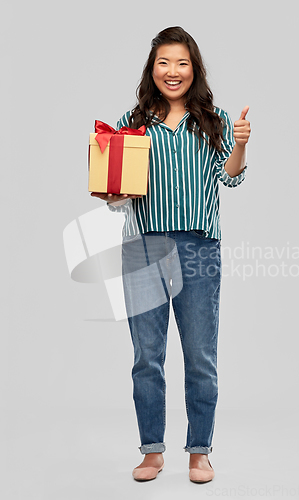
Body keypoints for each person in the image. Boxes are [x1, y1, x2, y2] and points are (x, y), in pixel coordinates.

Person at [91, 26, 251, 483]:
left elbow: (231, 178)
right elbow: (115, 192)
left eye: (181, 62)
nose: (173, 71)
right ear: (152, 69)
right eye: (164, 63)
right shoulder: (134, 121)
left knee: (201, 355)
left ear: (194, 68)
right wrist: (109, 188)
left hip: (199, 248)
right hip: (143, 247)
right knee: (147, 356)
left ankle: (200, 451)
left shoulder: (214, 119)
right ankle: (152, 451)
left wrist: (239, 142)